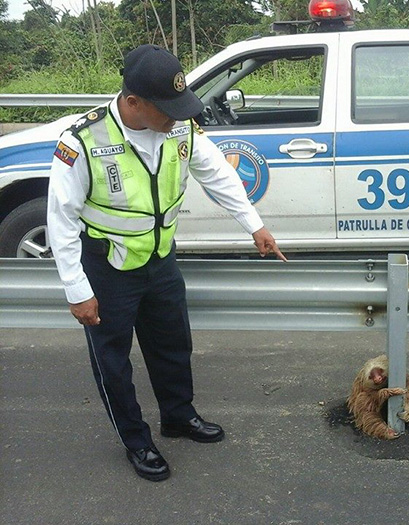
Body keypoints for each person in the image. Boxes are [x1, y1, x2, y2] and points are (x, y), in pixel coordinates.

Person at [47, 44, 287, 482]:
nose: (176, 118)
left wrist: (253, 224)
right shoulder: (83, 140)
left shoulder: (180, 129)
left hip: (160, 259)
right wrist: (77, 289)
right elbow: (60, 220)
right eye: (167, 110)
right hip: (108, 269)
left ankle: (178, 416)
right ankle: (136, 440)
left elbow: (217, 172)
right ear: (133, 102)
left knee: (173, 345)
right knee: (113, 362)